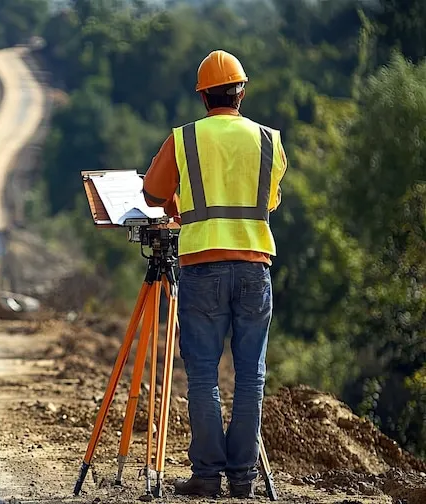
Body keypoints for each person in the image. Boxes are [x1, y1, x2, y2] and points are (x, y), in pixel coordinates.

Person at [141, 49, 287, 499]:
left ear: (203, 97)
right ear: (241, 91)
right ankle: (242, 479)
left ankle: (206, 475)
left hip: (202, 268)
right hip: (253, 269)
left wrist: (177, 206)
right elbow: (271, 201)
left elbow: (152, 192)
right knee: (251, 376)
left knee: (203, 376)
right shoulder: (269, 140)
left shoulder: (184, 139)